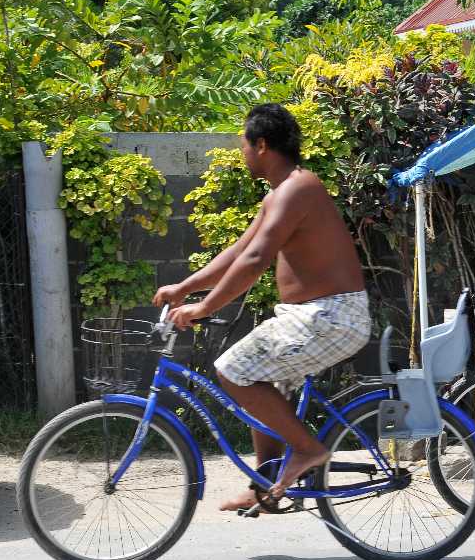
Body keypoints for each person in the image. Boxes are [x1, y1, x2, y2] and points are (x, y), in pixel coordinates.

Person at [153, 103, 371, 509]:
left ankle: (307, 451)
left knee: (233, 369)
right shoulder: (281, 192)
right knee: (261, 381)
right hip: (312, 317)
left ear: (263, 145)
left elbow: (255, 262)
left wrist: (202, 309)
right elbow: (239, 251)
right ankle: (267, 487)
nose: (242, 154)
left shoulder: (298, 188)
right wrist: (185, 287)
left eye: (244, 145)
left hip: (329, 317)